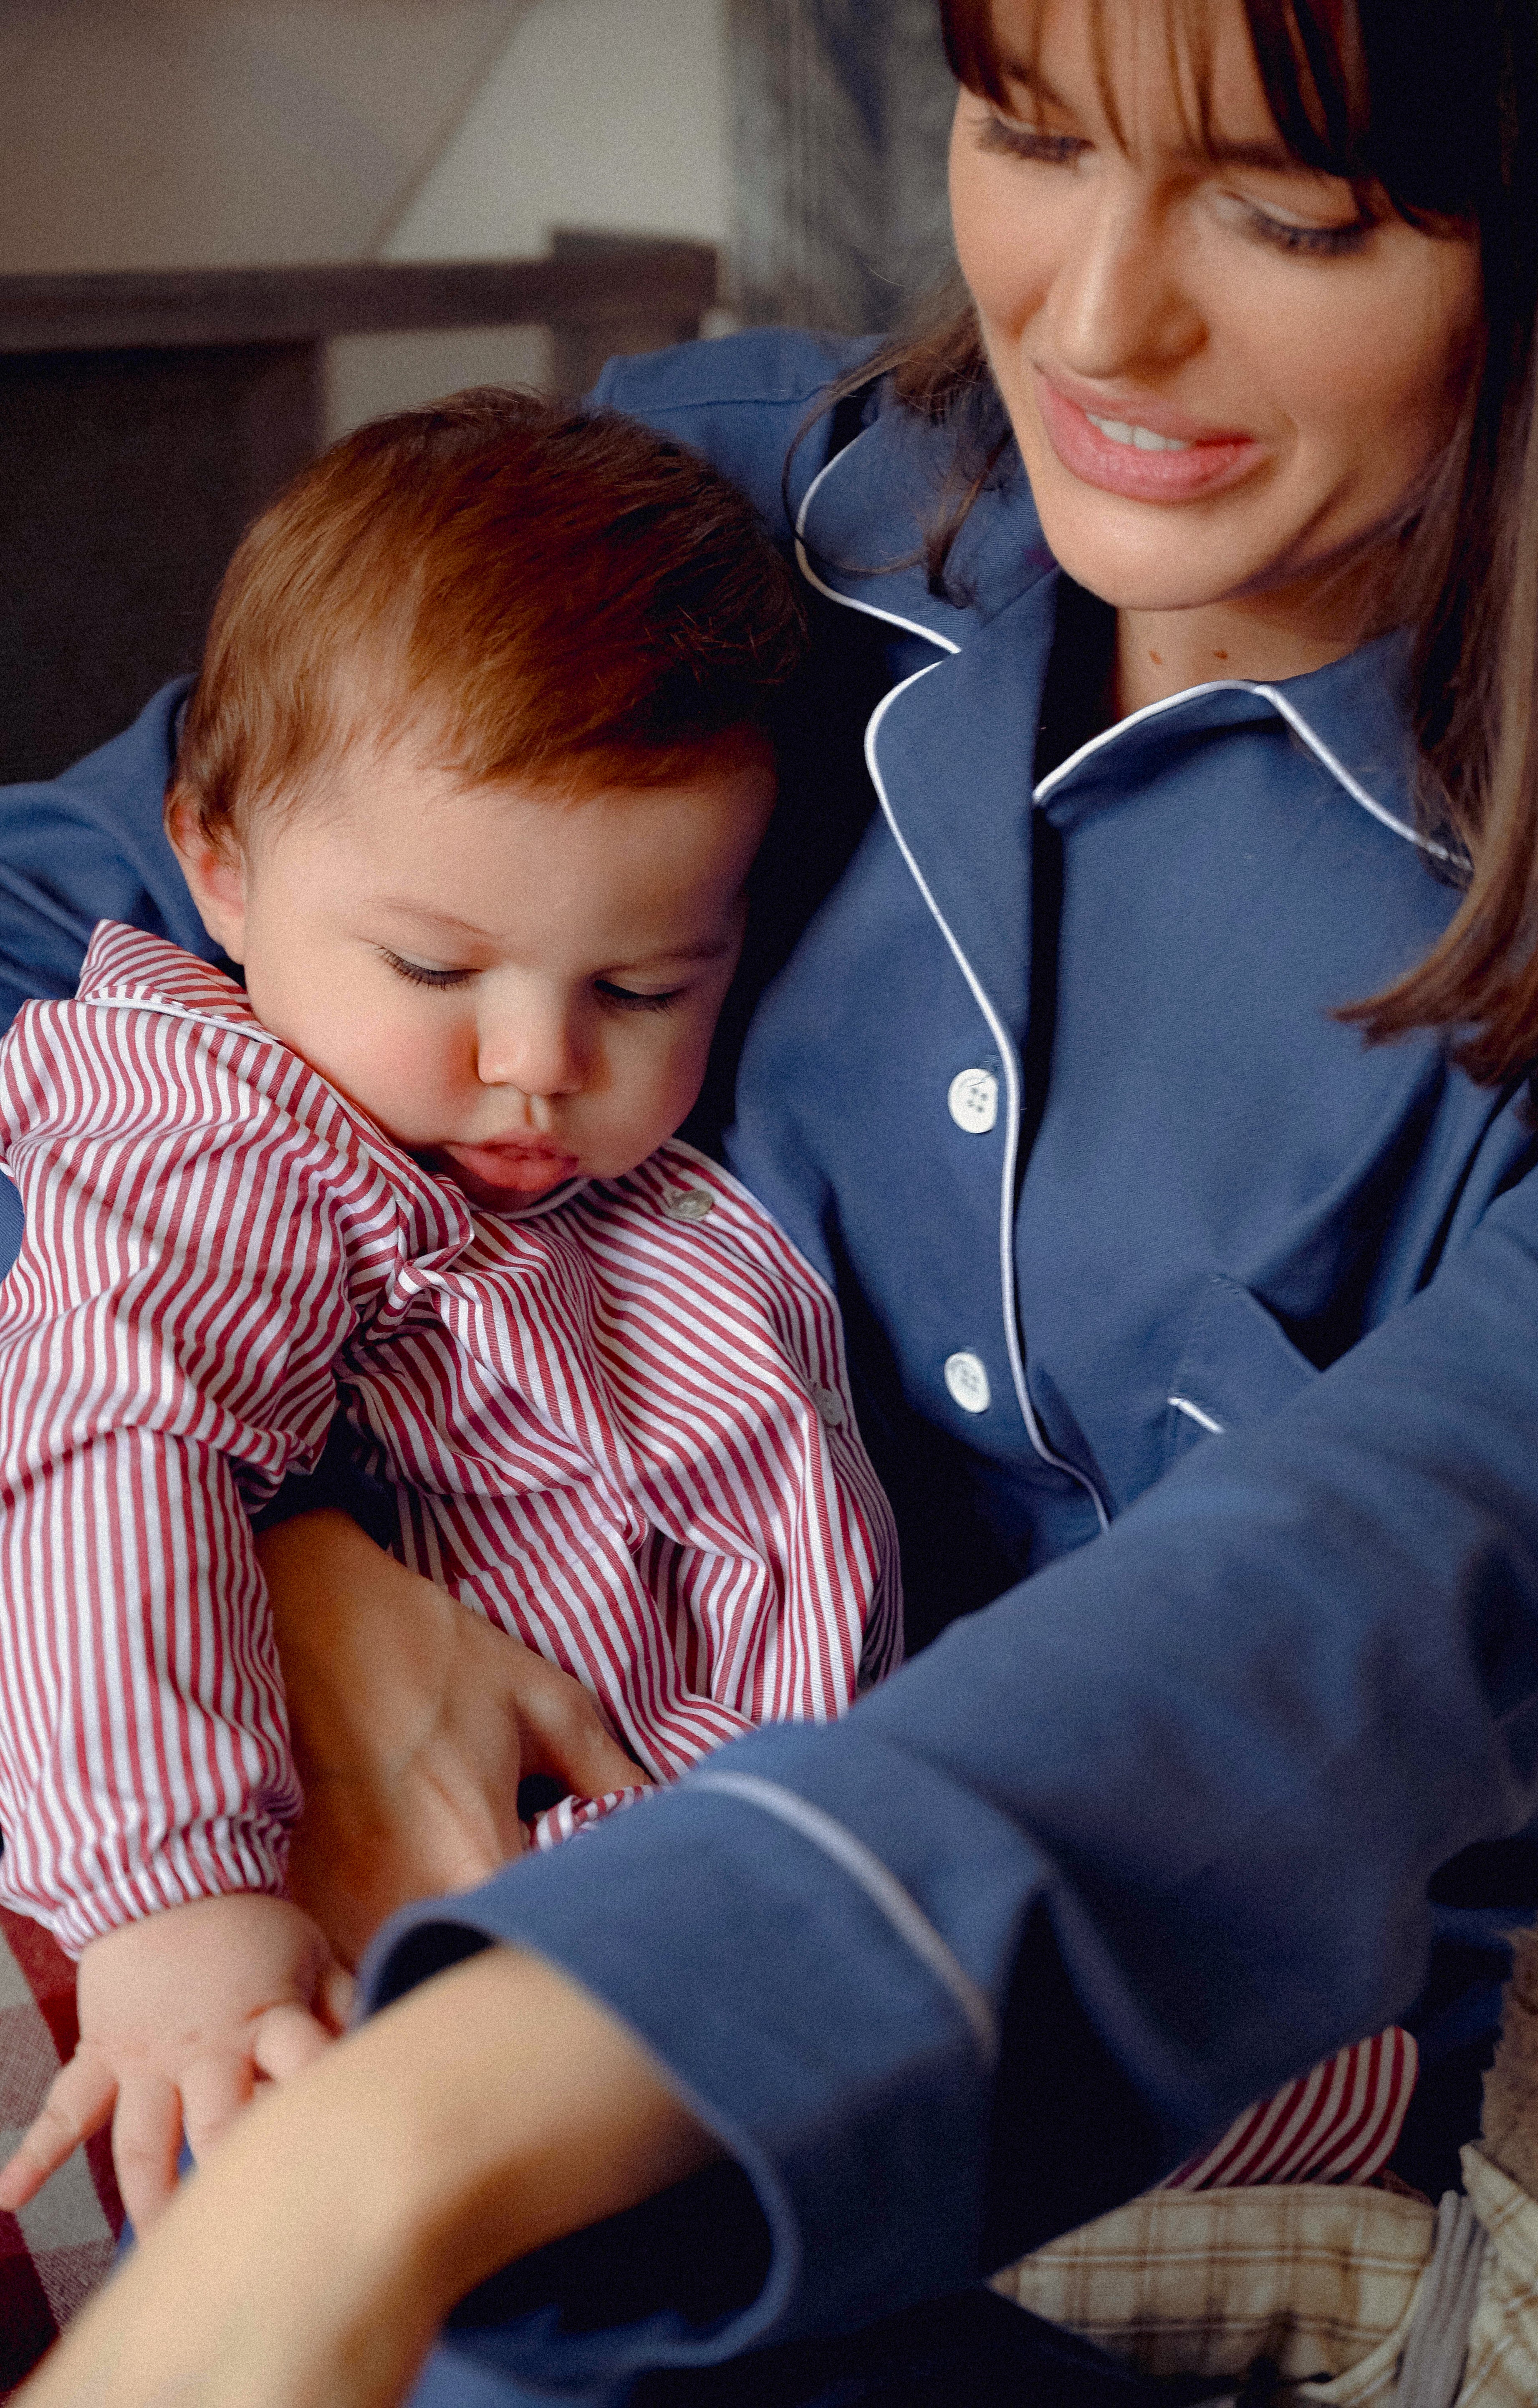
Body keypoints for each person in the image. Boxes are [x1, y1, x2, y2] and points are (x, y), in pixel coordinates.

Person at [8, 0, 1538, 2400]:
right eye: (1029, 133)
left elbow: (1347, 1594)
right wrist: (268, 1549)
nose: (1091, 321)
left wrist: (446, 2113)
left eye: (1292, 213)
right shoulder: (723, 501)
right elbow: (76, 955)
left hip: (1104, 2110)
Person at [0, 393, 899, 2235]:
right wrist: (177, 1899)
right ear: (221, 865)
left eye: (645, 987)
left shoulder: (629, 1185)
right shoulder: (228, 1128)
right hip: (293, 1918)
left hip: (728, 1889)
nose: (533, 1066)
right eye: (435, 966)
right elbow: (110, 1437)